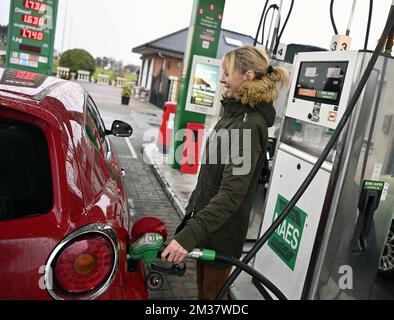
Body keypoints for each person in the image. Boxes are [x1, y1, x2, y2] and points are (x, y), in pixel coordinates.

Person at [161, 45, 289, 300]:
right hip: (207, 222)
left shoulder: (248, 125)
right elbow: (211, 175)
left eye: (227, 73)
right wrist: (192, 215)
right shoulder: (232, 115)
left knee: (212, 295)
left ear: (248, 76)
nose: (221, 78)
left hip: (221, 231)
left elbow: (232, 194)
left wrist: (191, 233)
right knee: (204, 292)